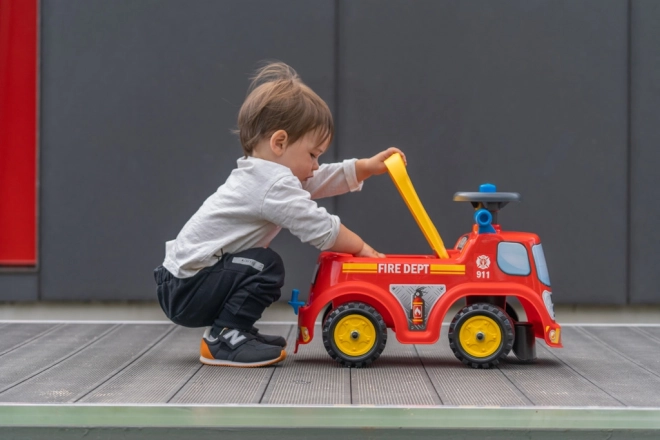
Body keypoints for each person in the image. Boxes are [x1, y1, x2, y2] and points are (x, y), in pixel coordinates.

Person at [154, 61, 405, 368]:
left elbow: (317, 179)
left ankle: (235, 331)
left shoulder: (264, 175)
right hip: (189, 290)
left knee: (260, 261)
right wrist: (362, 249)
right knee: (265, 265)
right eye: (313, 154)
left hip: (184, 282)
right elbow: (319, 227)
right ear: (279, 142)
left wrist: (364, 168)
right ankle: (224, 338)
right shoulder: (271, 184)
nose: (315, 164)